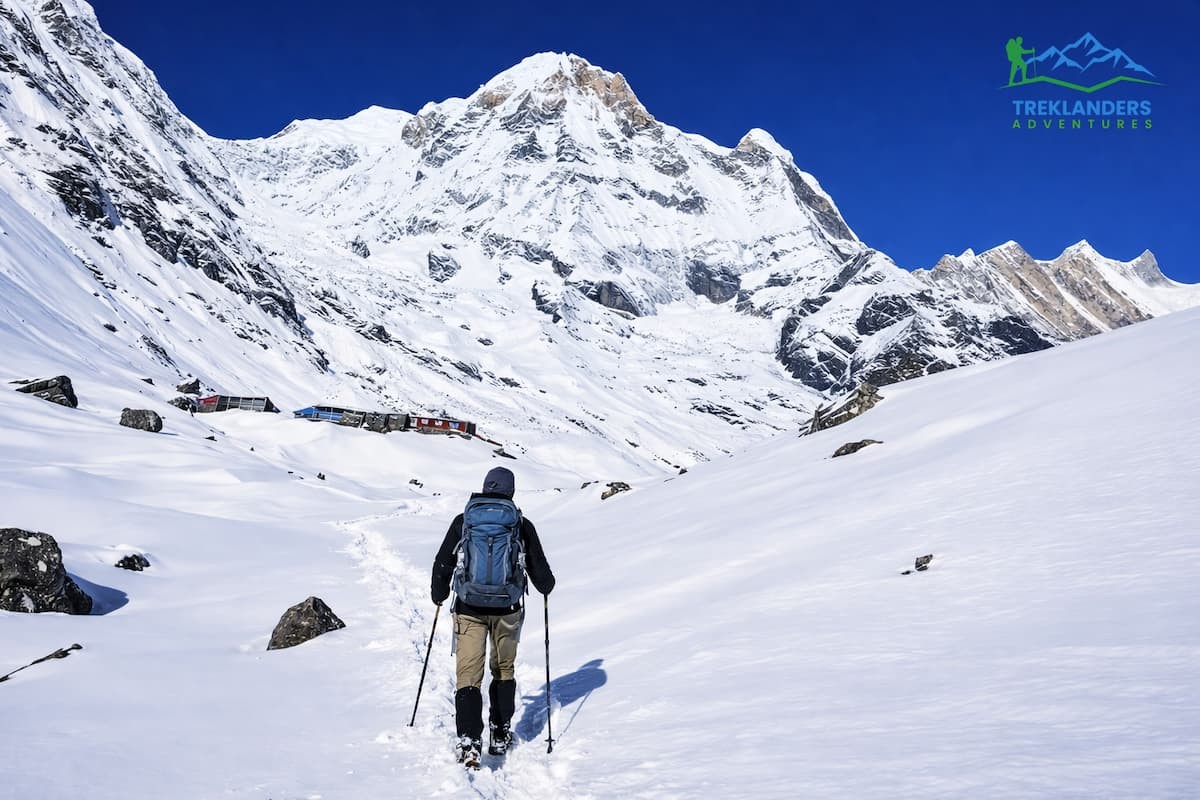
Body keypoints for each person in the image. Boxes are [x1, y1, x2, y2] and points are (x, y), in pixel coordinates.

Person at [430, 467, 555, 765]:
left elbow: (443, 560)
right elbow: (541, 574)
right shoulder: (520, 524)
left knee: (468, 675)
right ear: (511, 492)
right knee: (503, 670)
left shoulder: (465, 521)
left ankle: (469, 741)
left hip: (469, 608)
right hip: (507, 609)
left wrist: (439, 593)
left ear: (485, 488)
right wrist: (546, 586)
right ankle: (499, 732)